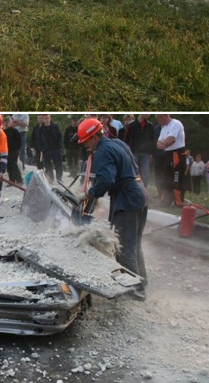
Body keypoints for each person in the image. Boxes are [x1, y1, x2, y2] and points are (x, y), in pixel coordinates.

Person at [77, 118, 147, 300]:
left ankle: (136, 291)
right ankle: (142, 280)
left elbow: (106, 180)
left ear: (93, 137)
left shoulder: (102, 151)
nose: (85, 145)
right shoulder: (117, 142)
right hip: (140, 192)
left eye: (85, 141)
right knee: (134, 243)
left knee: (124, 247)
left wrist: (89, 194)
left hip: (128, 199)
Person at [155, 114, 186, 206]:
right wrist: (161, 145)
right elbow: (158, 142)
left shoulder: (175, 124)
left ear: (164, 117)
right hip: (167, 154)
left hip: (177, 153)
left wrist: (163, 144)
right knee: (166, 177)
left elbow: (171, 139)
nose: (158, 122)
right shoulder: (164, 127)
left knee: (177, 178)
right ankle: (166, 201)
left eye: (158, 119)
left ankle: (178, 201)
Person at [123, 114, 156, 187]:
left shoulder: (150, 126)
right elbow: (126, 139)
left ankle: (143, 189)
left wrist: (151, 153)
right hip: (133, 153)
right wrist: (126, 152)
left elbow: (152, 140)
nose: (149, 115)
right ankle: (136, 188)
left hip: (145, 153)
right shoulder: (131, 125)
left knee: (145, 173)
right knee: (135, 173)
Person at [39, 114, 63, 183]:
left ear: (50, 118)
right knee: (48, 166)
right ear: (43, 119)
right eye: (45, 118)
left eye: (48, 118)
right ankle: (50, 179)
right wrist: (41, 148)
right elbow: (39, 139)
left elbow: (59, 136)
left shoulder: (55, 126)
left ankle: (59, 178)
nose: (47, 119)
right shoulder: (41, 129)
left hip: (56, 148)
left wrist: (60, 146)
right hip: (46, 150)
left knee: (58, 165)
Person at [3, 116, 23, 185]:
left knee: (13, 164)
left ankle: (19, 180)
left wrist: (17, 149)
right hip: (6, 151)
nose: (6, 124)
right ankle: (11, 180)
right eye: (5, 122)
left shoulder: (14, 131)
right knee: (8, 166)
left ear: (10, 122)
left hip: (14, 150)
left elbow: (19, 141)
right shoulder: (3, 132)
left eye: (7, 122)